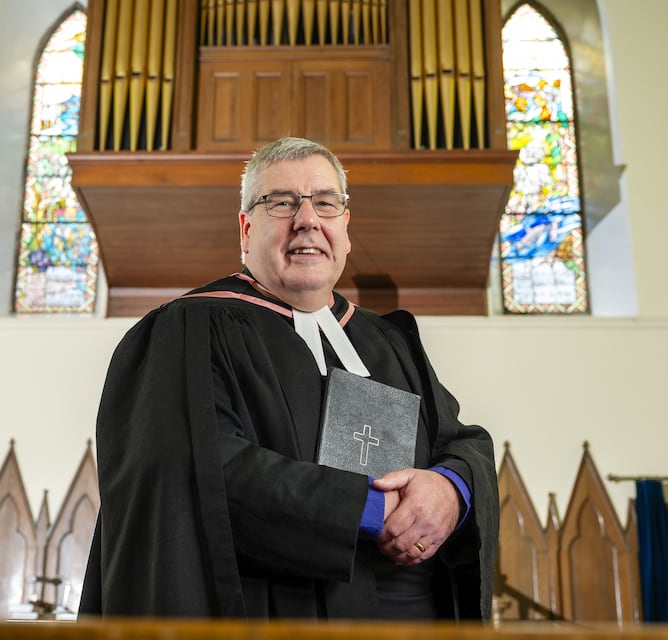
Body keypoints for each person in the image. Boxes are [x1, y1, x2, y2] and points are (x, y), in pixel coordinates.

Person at [79, 137, 499, 621]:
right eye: (281, 203)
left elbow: (462, 443)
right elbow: (194, 468)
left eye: (326, 202)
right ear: (245, 228)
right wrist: (366, 510)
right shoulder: (187, 331)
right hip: (269, 618)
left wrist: (450, 490)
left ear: (345, 224)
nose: (307, 220)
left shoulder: (389, 342)